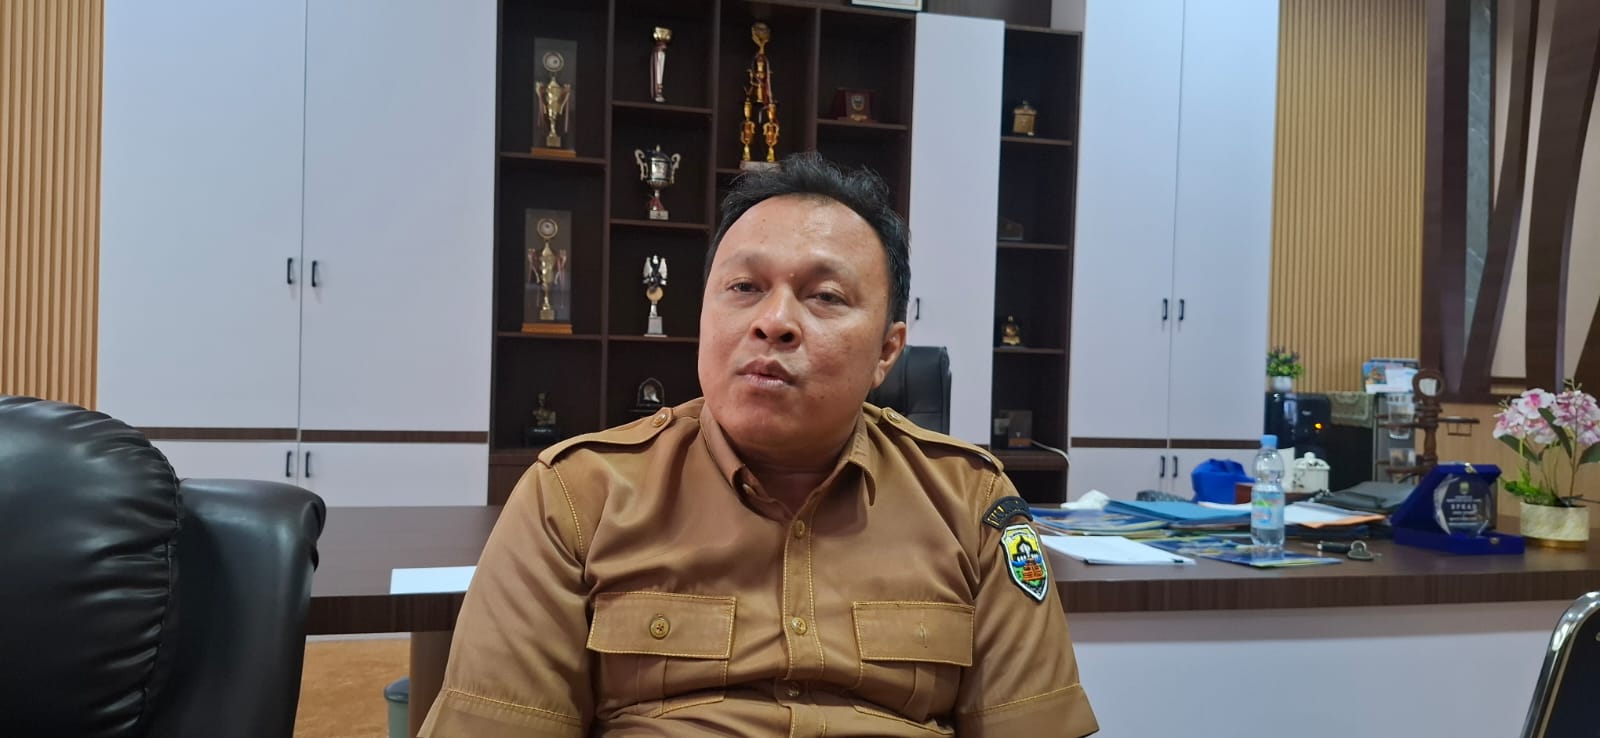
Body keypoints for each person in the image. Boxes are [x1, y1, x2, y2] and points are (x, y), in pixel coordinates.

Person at [421, 153, 1097, 737]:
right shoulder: (575, 497)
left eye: (824, 296)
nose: (774, 322)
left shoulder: (972, 502)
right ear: (703, 315)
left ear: (888, 351)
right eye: (744, 287)